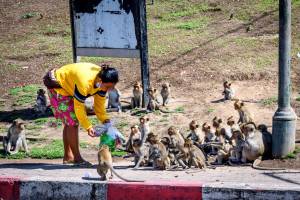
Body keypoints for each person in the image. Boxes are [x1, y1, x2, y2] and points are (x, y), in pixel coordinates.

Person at [44, 63, 118, 166]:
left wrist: (105, 120)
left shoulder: (101, 84)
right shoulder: (85, 82)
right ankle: (77, 158)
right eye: (108, 87)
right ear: (100, 81)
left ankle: (68, 157)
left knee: (69, 123)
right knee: (72, 123)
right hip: (58, 84)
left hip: (69, 85)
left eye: (112, 87)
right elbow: (79, 108)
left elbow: (99, 106)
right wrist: (88, 127)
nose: (109, 90)